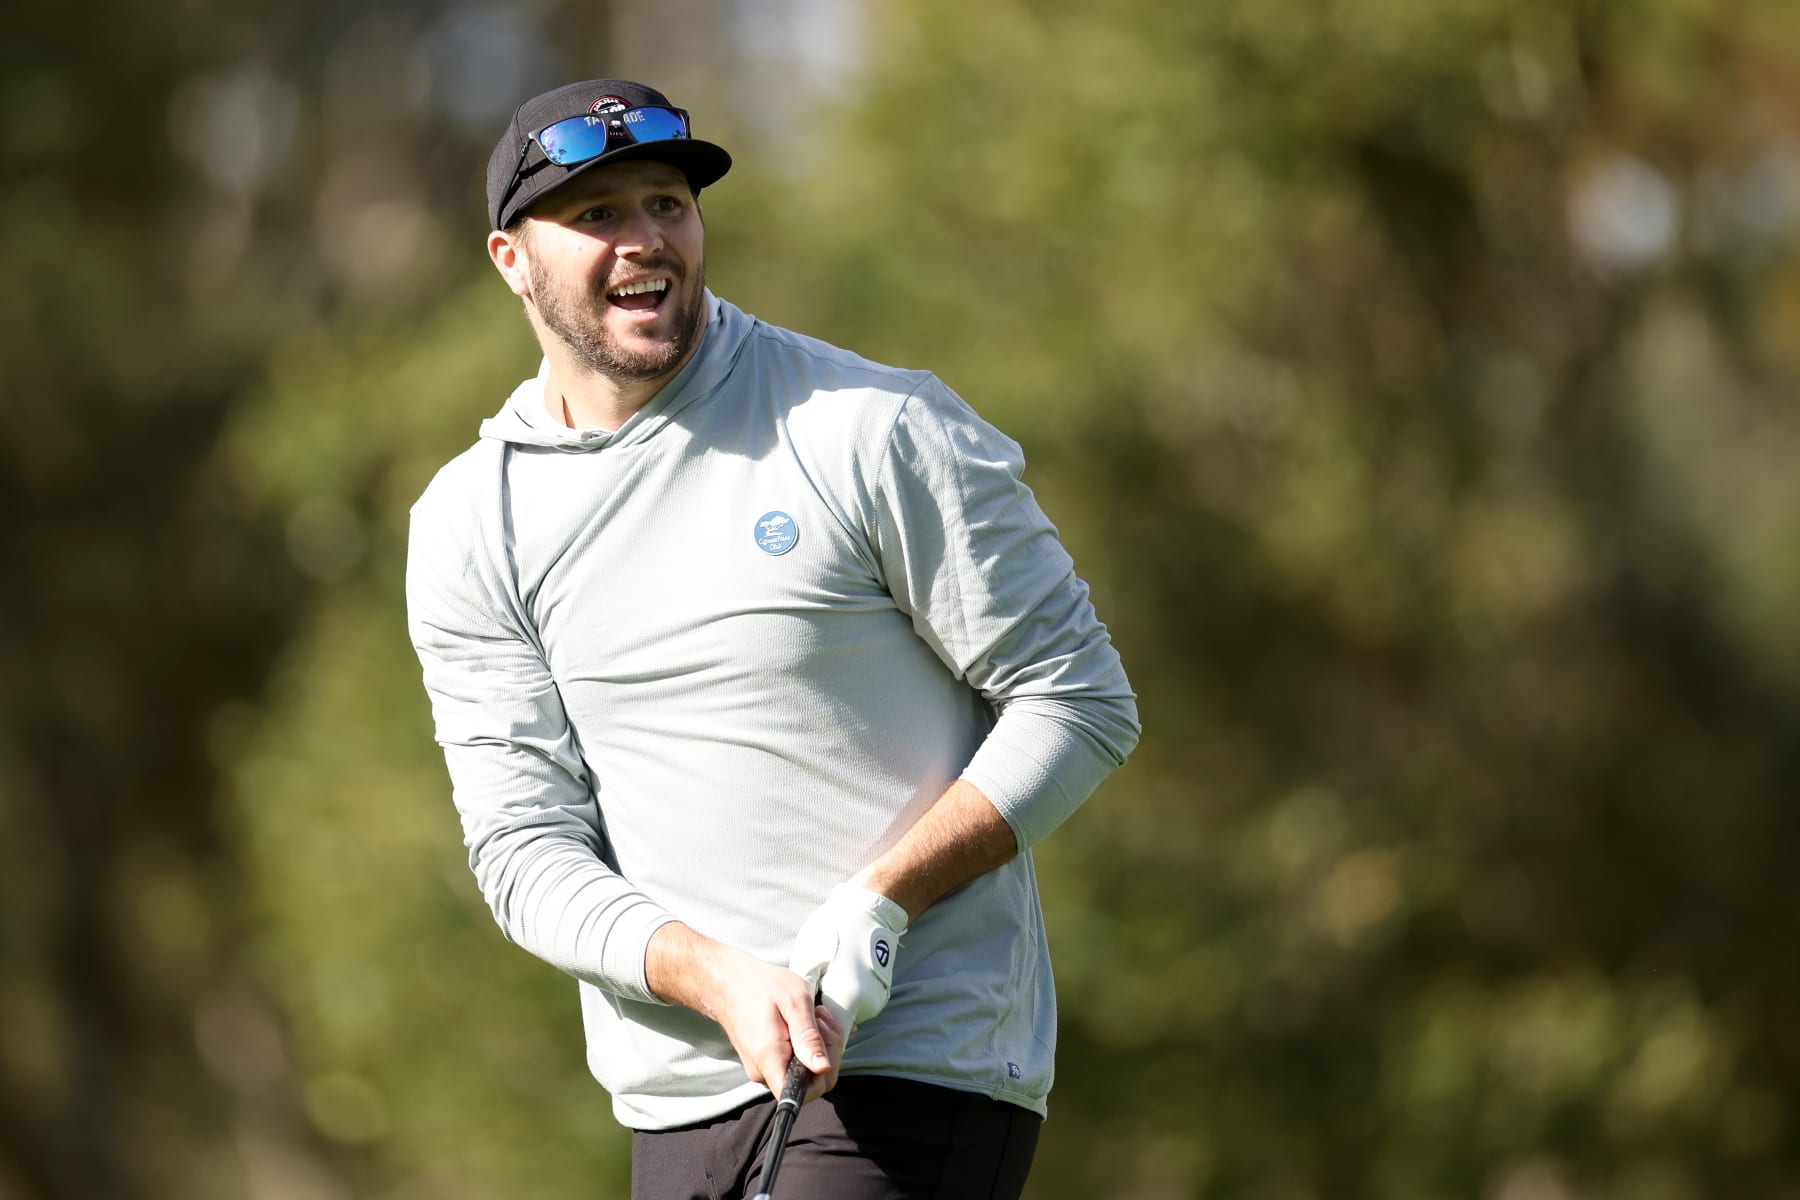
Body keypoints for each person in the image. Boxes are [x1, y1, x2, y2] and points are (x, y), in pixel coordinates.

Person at [405, 77, 1140, 1199]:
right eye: (597, 216)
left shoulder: (868, 427)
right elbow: (521, 848)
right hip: (677, 1098)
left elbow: (1079, 699)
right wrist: (706, 975)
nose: (645, 240)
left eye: (666, 203)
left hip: (911, 1071)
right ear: (512, 259)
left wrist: (882, 901)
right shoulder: (472, 522)